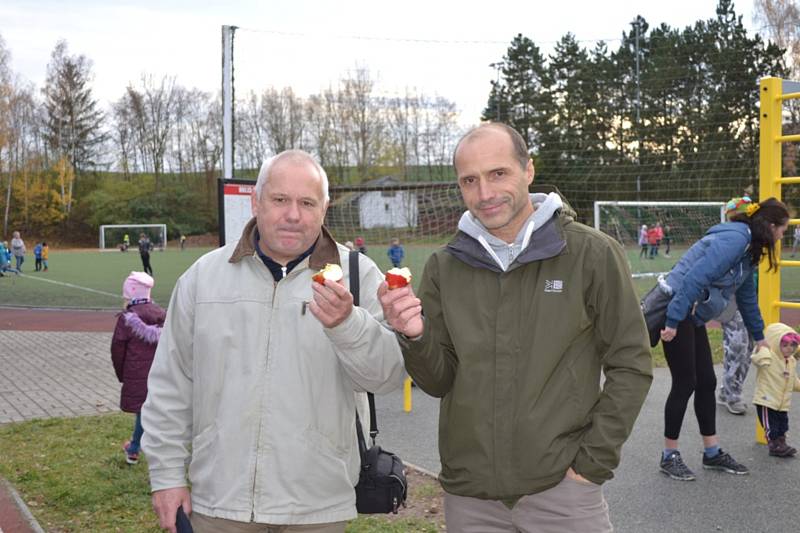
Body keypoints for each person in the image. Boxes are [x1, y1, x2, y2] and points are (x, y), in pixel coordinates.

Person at [379, 123, 653, 532]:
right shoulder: (443, 266)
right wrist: (414, 335)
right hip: (470, 497)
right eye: (469, 181)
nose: (485, 193)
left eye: (498, 173)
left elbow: (631, 364)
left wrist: (590, 467)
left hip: (563, 492)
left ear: (528, 170)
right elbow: (437, 381)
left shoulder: (591, 254)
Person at [141, 149, 405, 533]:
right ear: (256, 201)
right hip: (219, 502)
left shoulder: (358, 276)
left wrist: (347, 324)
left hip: (317, 507)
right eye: (280, 200)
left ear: (324, 209)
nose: (293, 214)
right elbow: (171, 383)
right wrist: (166, 474)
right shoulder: (204, 278)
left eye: (306, 203)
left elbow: (387, 377)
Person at [656, 197, 789, 481]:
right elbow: (694, 278)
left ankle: (712, 452)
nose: (782, 236)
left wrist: (758, 336)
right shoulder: (735, 240)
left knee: (706, 381)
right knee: (685, 382)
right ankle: (669, 456)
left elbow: (746, 296)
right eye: (782, 230)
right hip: (677, 307)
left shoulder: (749, 246)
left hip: (692, 313)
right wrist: (672, 320)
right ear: (769, 226)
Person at [111, 271, 165, 465]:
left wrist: (122, 375)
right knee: (153, 411)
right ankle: (139, 446)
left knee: (144, 411)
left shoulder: (126, 318)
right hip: (162, 375)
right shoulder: (162, 314)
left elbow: (117, 350)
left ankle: (134, 449)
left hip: (137, 375)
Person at [717, 197, 757, 416]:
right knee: (737, 343)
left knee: (749, 344)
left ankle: (729, 390)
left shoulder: (753, 240)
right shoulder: (731, 238)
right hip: (729, 300)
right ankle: (732, 393)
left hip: (748, 298)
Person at [751, 323, 800, 458]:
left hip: (782, 401)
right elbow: (756, 358)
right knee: (771, 426)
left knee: (783, 425)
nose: (789, 349)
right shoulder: (769, 356)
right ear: (774, 343)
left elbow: (792, 379)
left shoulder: (790, 361)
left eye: (793, 345)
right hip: (766, 400)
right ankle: (774, 445)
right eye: (785, 345)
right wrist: (764, 351)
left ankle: (781, 443)